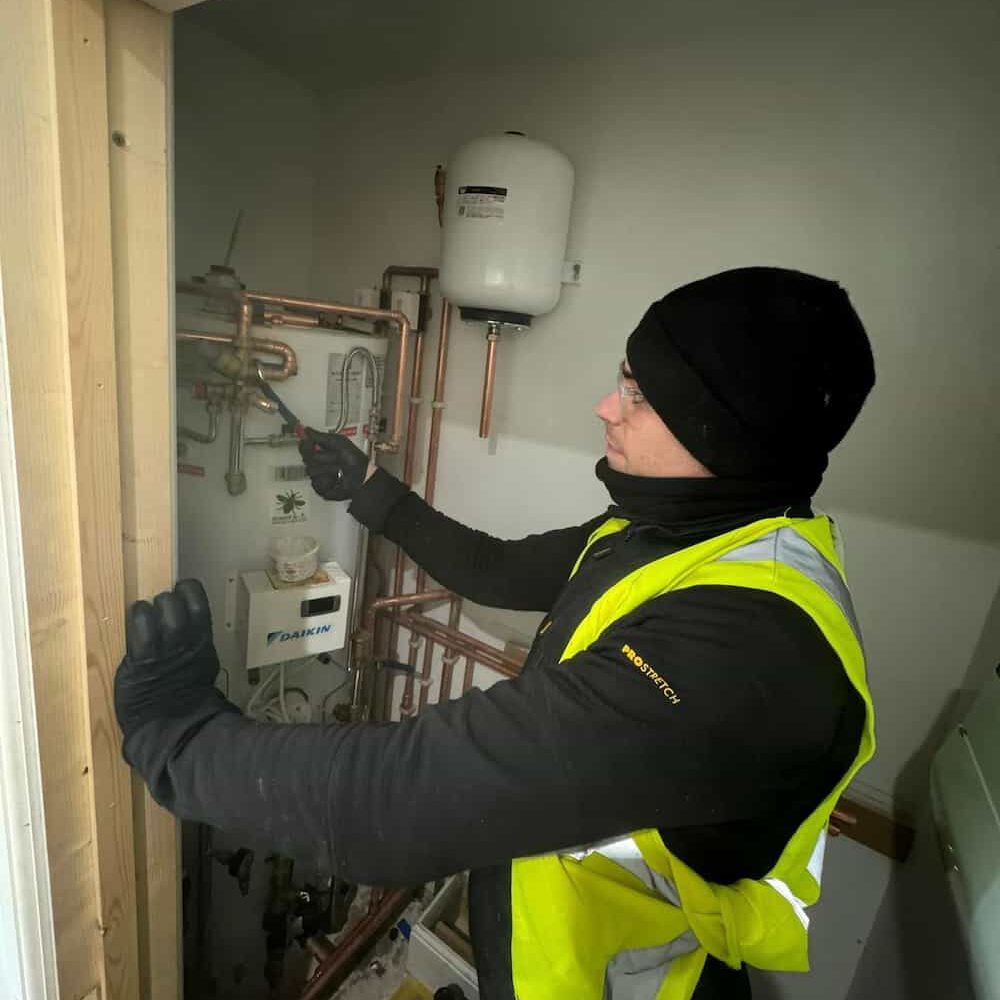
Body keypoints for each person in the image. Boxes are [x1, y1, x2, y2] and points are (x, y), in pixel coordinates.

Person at [115, 266, 877, 1000]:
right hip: (548, 960)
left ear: (725, 435)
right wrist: (368, 490)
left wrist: (178, 740)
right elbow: (499, 571)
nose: (607, 408)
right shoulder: (677, 534)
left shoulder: (751, 651)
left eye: (640, 397)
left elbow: (399, 801)